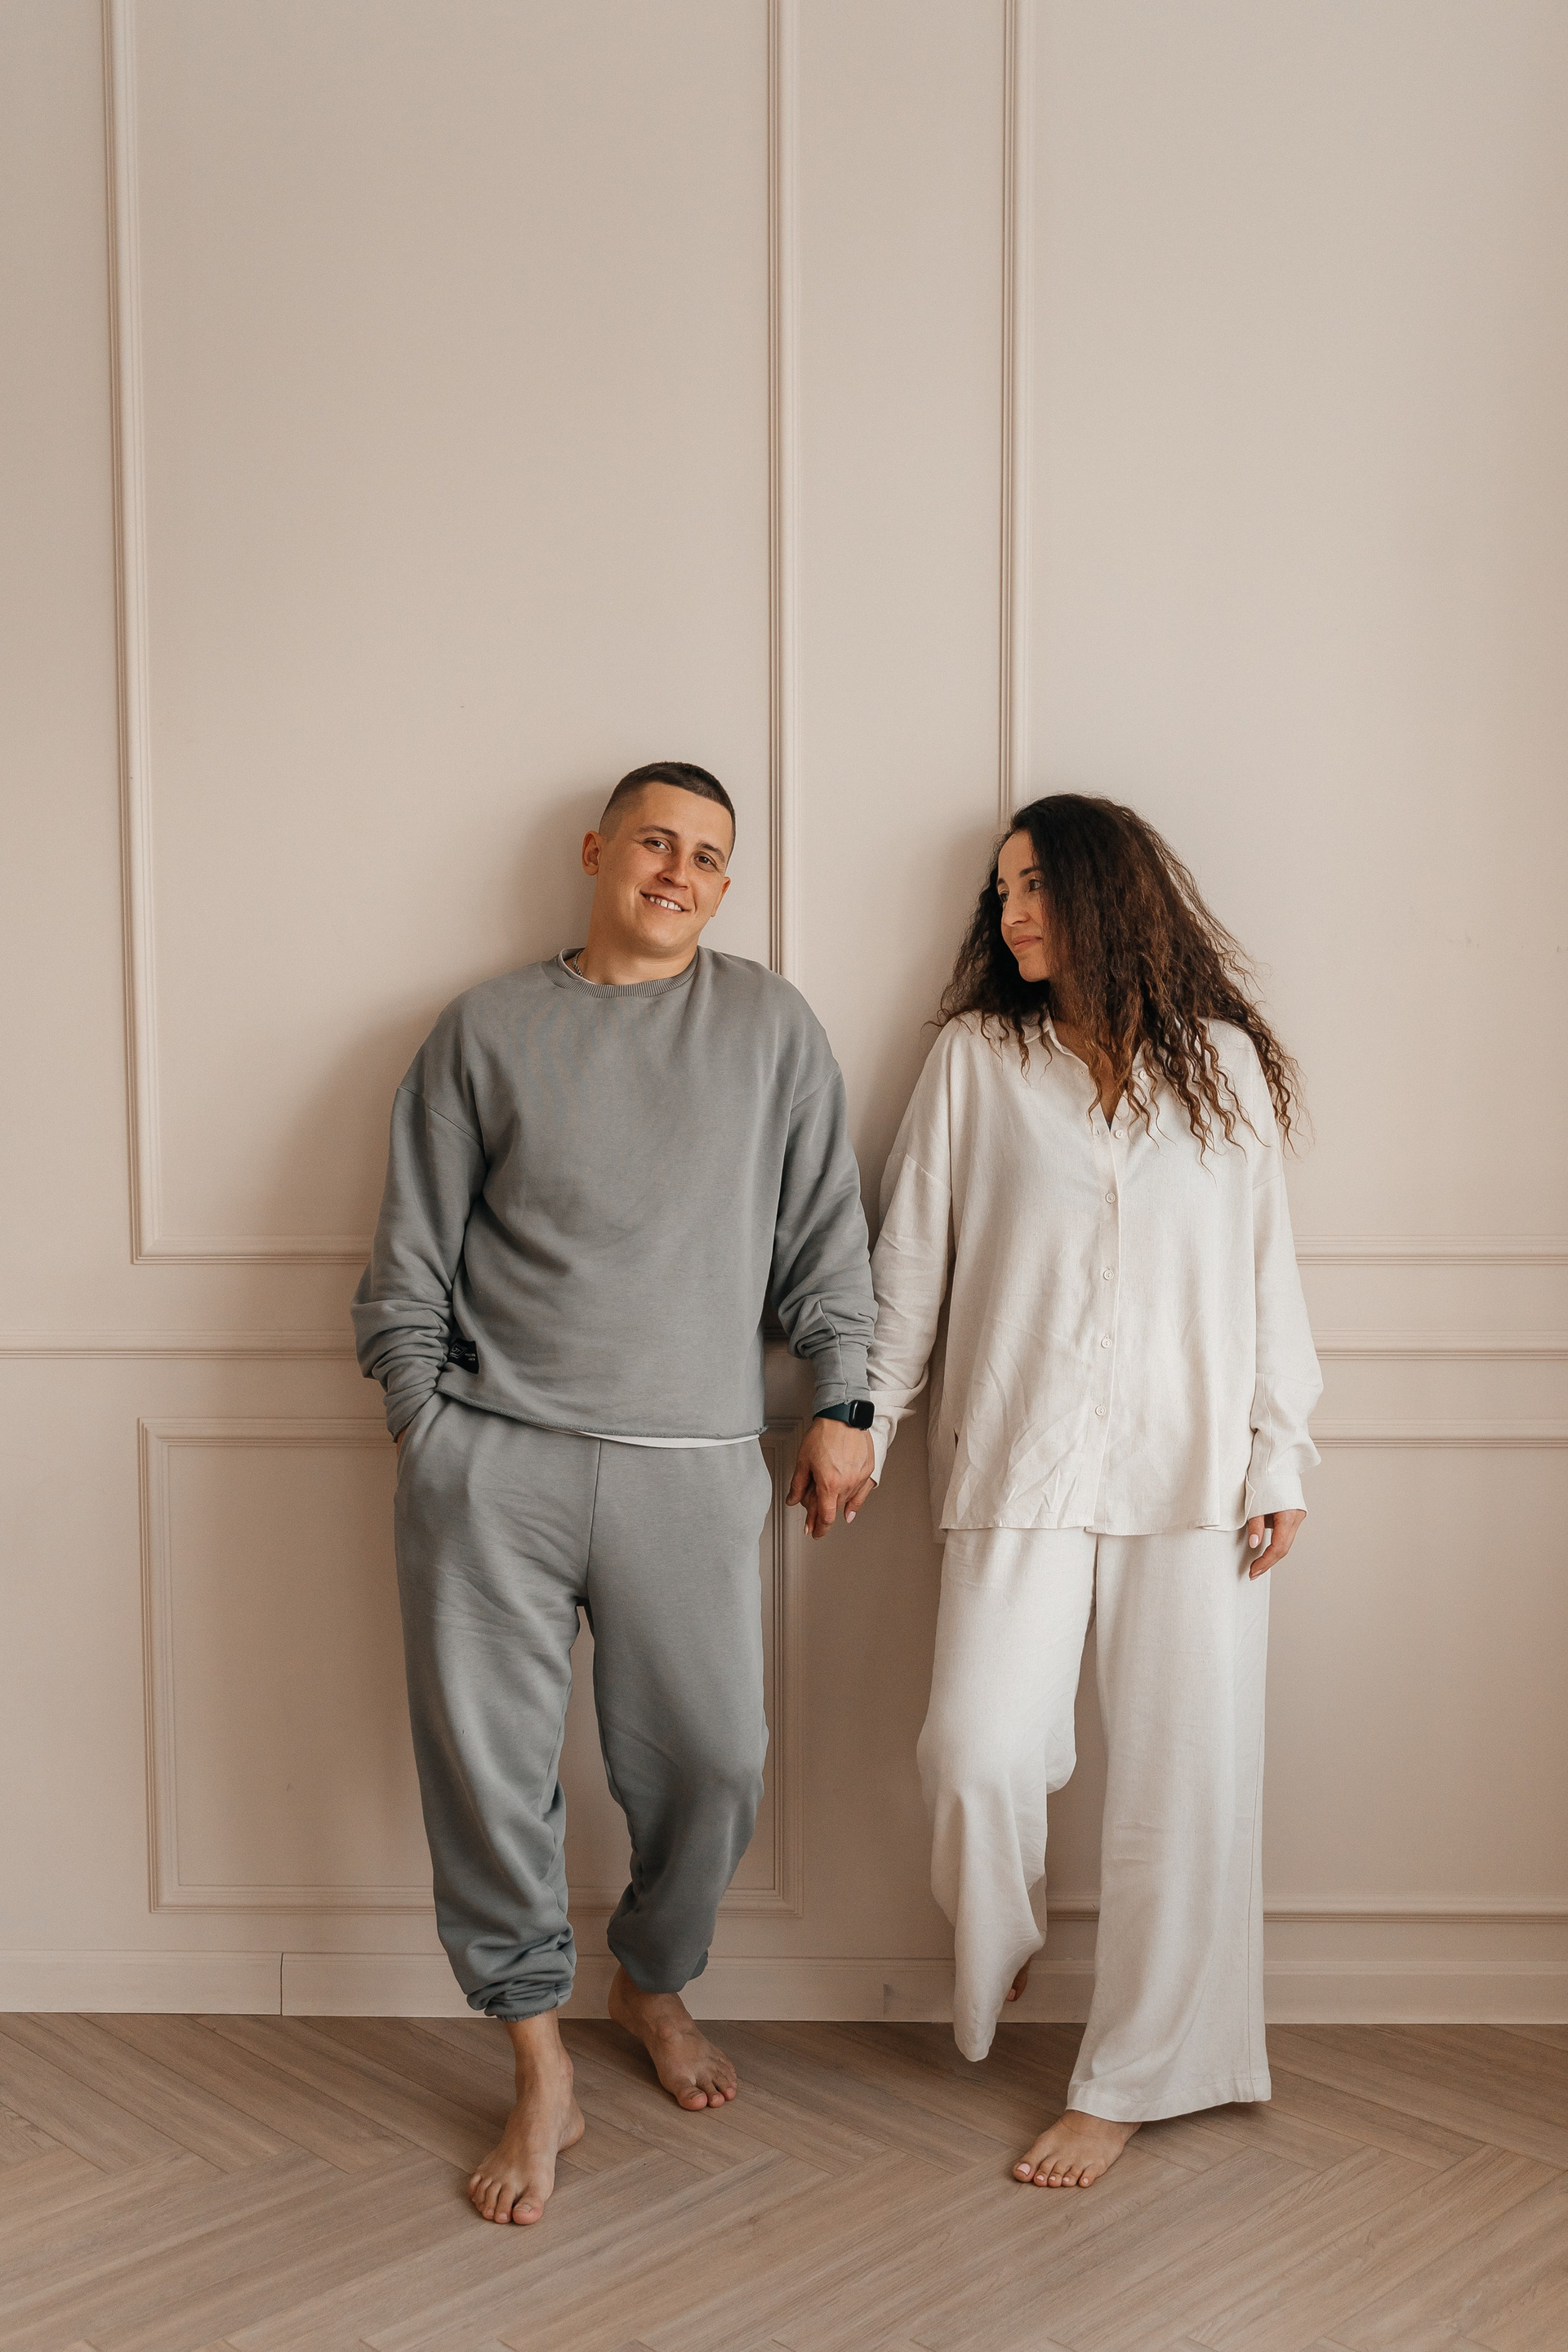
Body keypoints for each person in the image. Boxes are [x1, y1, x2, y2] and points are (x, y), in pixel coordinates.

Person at [352, 760, 876, 2225]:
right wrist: (427, 1426)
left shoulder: (771, 1028)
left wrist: (845, 1402)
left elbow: (827, 1241)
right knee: (487, 1775)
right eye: (656, 841)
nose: (679, 872)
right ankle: (539, 2065)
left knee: (713, 1762)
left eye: (708, 856)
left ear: (725, 885)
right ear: (597, 853)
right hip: (491, 1465)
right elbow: (408, 1255)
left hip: (693, 1466)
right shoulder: (487, 1028)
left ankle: (651, 1978)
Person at [862, 793, 1321, 2191]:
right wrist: (860, 1422)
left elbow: (1265, 1274)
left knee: (1186, 1789)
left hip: (1197, 1471)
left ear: (1111, 899)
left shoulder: (1223, 1070)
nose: (1013, 915)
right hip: (1020, 1455)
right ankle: (1001, 1931)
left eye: (1038, 888)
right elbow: (910, 1264)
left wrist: (1281, 1451)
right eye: (1002, 892)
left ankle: (1133, 2080)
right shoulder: (976, 1060)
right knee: (976, 1752)